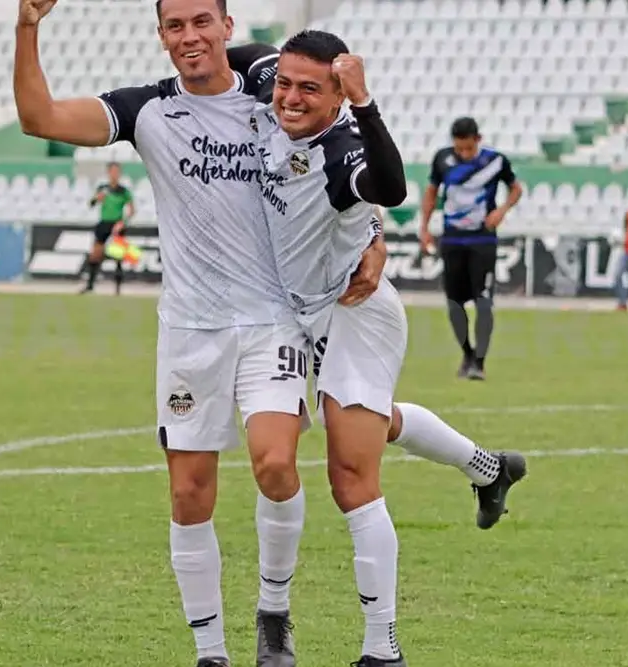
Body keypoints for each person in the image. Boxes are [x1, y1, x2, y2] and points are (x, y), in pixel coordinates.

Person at [11, 2, 385, 666]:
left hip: (271, 319)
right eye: (175, 25)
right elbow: (38, 118)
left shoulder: (274, 90)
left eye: (200, 22)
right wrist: (27, 28)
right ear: (160, 35)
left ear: (226, 26)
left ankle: (273, 609)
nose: (190, 36)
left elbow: (343, 152)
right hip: (189, 330)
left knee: (274, 464)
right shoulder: (145, 111)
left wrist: (376, 235)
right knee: (189, 492)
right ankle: (209, 650)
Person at [240, 31, 528, 666]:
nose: (289, 96)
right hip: (291, 315)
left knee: (350, 473)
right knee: (371, 423)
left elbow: (392, 189)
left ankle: (382, 649)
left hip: (356, 312)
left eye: (309, 88)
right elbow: (245, 53)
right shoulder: (273, 87)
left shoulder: (343, 149)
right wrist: (208, 52)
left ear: (339, 94)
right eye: (284, 83)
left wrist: (365, 105)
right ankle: (489, 467)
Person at [418, 117, 522, 380]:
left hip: (483, 240)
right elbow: (431, 192)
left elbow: (516, 189)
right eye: (459, 149)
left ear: (478, 140)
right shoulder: (442, 159)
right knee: (454, 303)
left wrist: (502, 211)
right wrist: (425, 226)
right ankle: (467, 353)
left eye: (468, 149)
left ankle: (480, 362)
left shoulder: (496, 161)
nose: (464, 154)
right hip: (452, 240)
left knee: (484, 301)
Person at [81, 161, 135, 295]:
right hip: (104, 223)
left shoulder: (124, 191)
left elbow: (132, 210)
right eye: (112, 171)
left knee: (118, 256)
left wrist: (123, 222)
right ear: (108, 172)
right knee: (95, 254)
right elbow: (91, 204)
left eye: (117, 171)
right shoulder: (103, 188)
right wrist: (97, 198)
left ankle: (117, 289)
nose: (115, 174)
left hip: (117, 224)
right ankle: (90, 285)